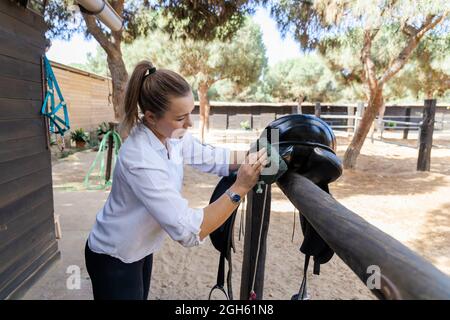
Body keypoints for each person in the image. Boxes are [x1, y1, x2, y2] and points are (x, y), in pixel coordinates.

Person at [84, 60, 268, 300]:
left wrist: (254, 157)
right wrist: (240, 187)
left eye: (190, 114)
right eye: (181, 117)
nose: (189, 124)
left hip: (140, 249)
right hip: (115, 255)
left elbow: (212, 157)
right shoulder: (139, 158)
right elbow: (187, 230)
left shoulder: (173, 135)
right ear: (150, 117)